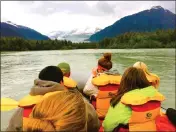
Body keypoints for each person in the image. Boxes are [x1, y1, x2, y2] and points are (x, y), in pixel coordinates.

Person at [6, 66, 100, 132]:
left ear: (38, 82)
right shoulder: (80, 104)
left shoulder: (22, 110)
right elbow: (95, 125)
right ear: (61, 82)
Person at [103, 67, 174, 132]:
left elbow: (107, 126)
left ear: (124, 82)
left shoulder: (121, 101)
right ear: (144, 79)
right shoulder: (155, 96)